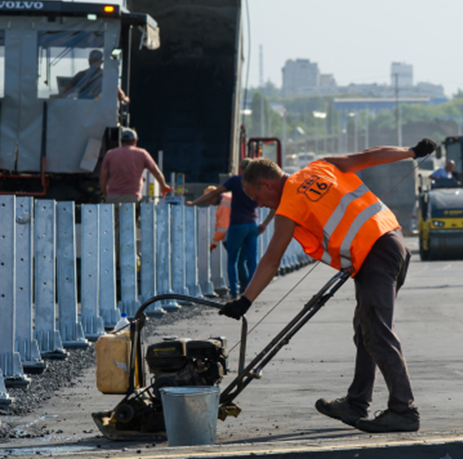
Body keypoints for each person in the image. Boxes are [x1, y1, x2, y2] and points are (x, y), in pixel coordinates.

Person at [219, 139, 437, 433]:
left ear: (267, 183)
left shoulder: (288, 204)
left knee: (377, 331)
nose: (259, 204)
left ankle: (404, 410)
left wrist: (245, 301)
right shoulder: (322, 166)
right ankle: (357, 402)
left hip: (375, 255)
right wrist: (411, 152)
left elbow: (271, 259)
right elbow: (370, 156)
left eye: (256, 196)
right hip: (392, 241)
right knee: (366, 330)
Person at [186, 159, 274, 297]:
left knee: (232, 259)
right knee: (252, 260)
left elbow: (214, 193)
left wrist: (194, 202)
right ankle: (254, 291)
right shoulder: (258, 183)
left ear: (241, 169)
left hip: (238, 225)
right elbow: (275, 204)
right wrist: (265, 223)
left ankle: (233, 291)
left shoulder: (235, 181)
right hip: (253, 224)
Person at [99, 128, 171, 204]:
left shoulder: (110, 154)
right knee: (131, 215)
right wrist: (163, 185)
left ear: (121, 141)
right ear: (135, 141)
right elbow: (157, 172)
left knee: (113, 216)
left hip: (113, 197)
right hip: (132, 197)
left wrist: (106, 194)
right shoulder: (142, 153)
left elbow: (103, 178)